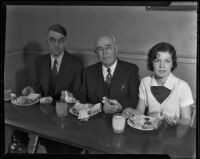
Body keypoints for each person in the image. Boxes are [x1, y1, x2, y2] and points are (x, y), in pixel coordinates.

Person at [8, 24, 83, 153]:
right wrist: (31, 90)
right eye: (52, 40)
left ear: (65, 42)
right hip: (42, 112)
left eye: (60, 41)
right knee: (18, 130)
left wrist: (64, 97)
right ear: (47, 41)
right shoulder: (40, 61)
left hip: (63, 115)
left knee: (57, 145)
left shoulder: (76, 63)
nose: (56, 45)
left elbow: (78, 94)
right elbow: (38, 86)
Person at [122, 42, 194, 126]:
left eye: (167, 61)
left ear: (172, 63)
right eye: (157, 61)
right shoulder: (145, 82)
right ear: (151, 63)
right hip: (150, 131)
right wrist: (130, 111)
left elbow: (187, 120)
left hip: (173, 134)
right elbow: (139, 112)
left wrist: (178, 122)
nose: (162, 65)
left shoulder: (182, 86)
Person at [79, 34, 139, 114]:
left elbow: (135, 99)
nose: (104, 52)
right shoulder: (88, 72)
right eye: (100, 49)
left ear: (116, 49)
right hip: (94, 121)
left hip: (120, 121)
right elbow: (82, 99)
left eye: (108, 47)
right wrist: (71, 97)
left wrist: (120, 106)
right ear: (96, 53)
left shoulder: (131, 70)